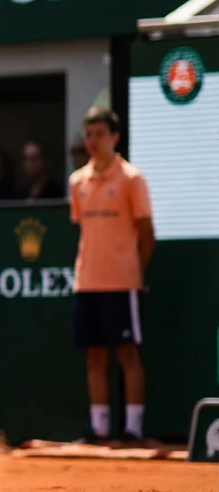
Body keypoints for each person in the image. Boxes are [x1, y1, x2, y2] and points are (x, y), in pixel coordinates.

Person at [68, 107, 154, 443]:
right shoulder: (78, 181)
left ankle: (133, 429)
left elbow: (146, 232)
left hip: (122, 282)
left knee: (128, 354)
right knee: (94, 354)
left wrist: (134, 269)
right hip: (86, 282)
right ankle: (99, 427)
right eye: (88, 134)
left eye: (99, 134)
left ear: (115, 137)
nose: (92, 141)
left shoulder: (132, 179)